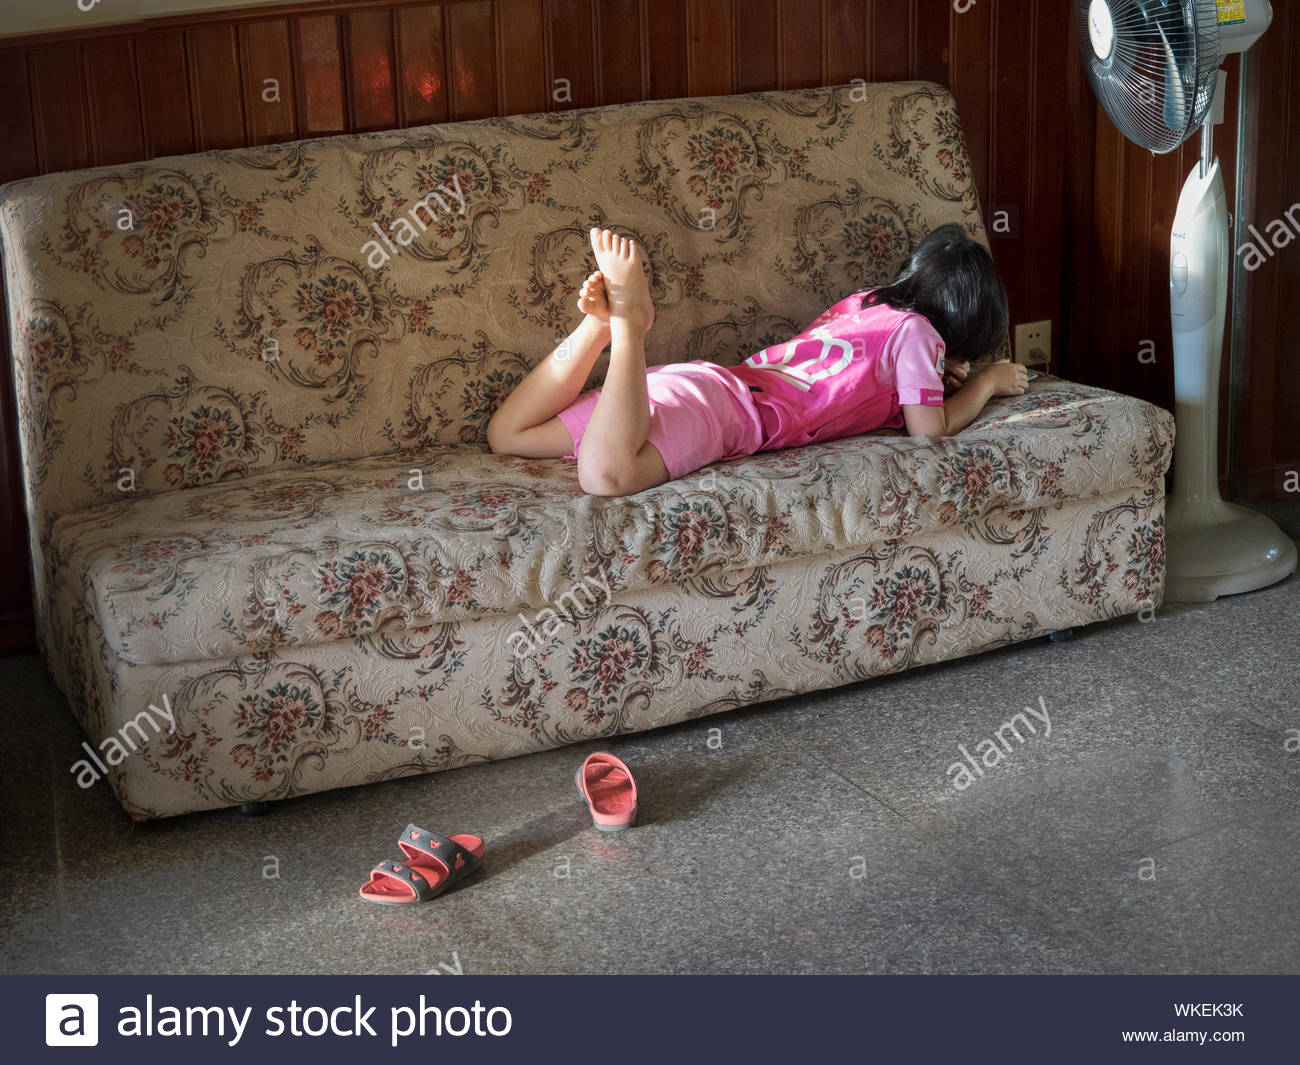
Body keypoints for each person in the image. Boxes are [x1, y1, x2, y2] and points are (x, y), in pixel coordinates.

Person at [487, 224, 1025, 497]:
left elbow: (868, 373)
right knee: (606, 476)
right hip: (729, 414)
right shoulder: (921, 337)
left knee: (509, 436)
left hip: (694, 384)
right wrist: (986, 383)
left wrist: (937, 372)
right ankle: (628, 327)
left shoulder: (869, 304)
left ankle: (598, 329)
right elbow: (929, 433)